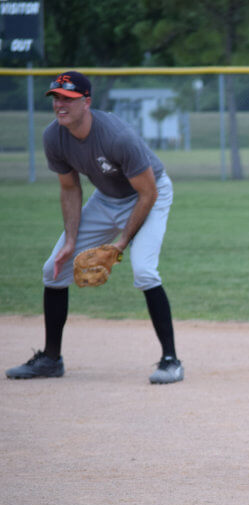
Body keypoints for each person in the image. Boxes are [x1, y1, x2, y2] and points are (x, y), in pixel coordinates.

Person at [5, 71, 183, 384]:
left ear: (86, 102)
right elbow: (70, 189)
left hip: (148, 194)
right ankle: (50, 359)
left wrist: (121, 243)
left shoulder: (116, 136)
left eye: (69, 99)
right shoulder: (54, 137)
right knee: (54, 269)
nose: (61, 104)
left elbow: (148, 193)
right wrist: (72, 241)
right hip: (106, 199)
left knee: (143, 270)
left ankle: (170, 361)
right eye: (56, 98)